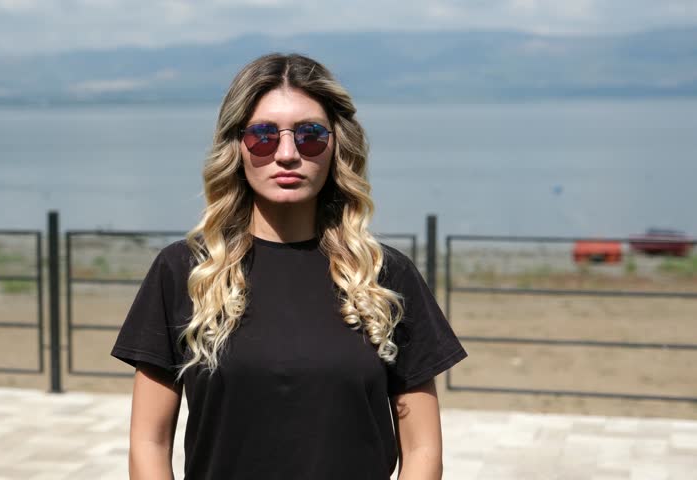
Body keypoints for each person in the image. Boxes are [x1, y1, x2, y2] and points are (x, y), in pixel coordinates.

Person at [111, 52, 468, 480]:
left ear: (337, 146)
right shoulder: (185, 271)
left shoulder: (384, 275)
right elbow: (148, 442)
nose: (286, 154)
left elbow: (423, 447)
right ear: (237, 146)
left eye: (310, 135)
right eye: (263, 135)